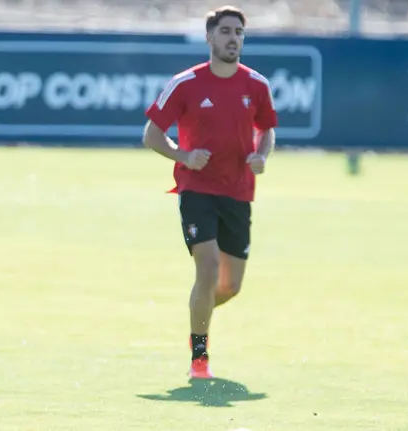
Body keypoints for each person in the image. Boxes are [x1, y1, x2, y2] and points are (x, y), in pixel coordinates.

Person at [142, 5, 277, 379]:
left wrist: (261, 156)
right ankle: (199, 356)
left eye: (238, 33)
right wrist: (183, 154)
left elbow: (266, 130)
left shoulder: (257, 85)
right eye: (226, 32)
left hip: (238, 191)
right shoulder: (185, 83)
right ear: (210, 37)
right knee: (208, 267)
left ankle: (197, 316)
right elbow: (152, 134)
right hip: (196, 188)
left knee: (230, 286)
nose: (233, 39)